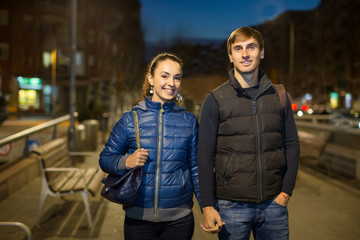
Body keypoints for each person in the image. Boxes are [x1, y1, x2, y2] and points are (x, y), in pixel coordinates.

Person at [197, 27, 300, 240]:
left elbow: (292, 144)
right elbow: (204, 156)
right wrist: (207, 205)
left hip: (274, 204)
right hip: (231, 207)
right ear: (230, 55)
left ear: (261, 53)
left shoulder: (278, 95)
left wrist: (285, 192)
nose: (245, 54)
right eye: (238, 48)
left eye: (251, 47)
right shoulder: (215, 99)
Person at [99, 53, 200, 240]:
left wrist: (208, 208)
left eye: (177, 77)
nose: (171, 82)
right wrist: (125, 161)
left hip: (179, 219)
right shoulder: (130, 119)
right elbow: (105, 159)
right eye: (165, 75)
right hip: (138, 219)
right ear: (151, 79)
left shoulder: (189, 121)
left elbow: (196, 169)